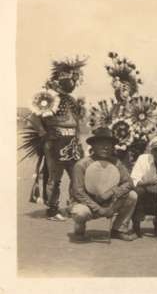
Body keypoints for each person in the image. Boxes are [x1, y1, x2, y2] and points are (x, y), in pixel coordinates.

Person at [25, 57, 87, 221]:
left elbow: (77, 122)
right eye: (67, 77)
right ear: (59, 77)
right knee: (55, 177)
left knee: (76, 176)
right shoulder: (48, 98)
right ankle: (53, 209)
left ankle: (73, 204)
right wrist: (44, 133)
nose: (71, 81)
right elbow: (33, 118)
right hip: (55, 143)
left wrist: (79, 141)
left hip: (72, 143)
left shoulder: (72, 100)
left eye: (74, 78)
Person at [69, 127, 138, 241]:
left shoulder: (116, 163)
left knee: (132, 195)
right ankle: (80, 226)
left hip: (110, 202)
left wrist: (112, 192)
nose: (105, 147)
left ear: (112, 147)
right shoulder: (81, 165)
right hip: (87, 203)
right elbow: (78, 192)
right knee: (80, 212)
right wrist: (98, 208)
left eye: (109, 144)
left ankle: (118, 229)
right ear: (93, 146)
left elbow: (129, 183)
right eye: (101, 144)